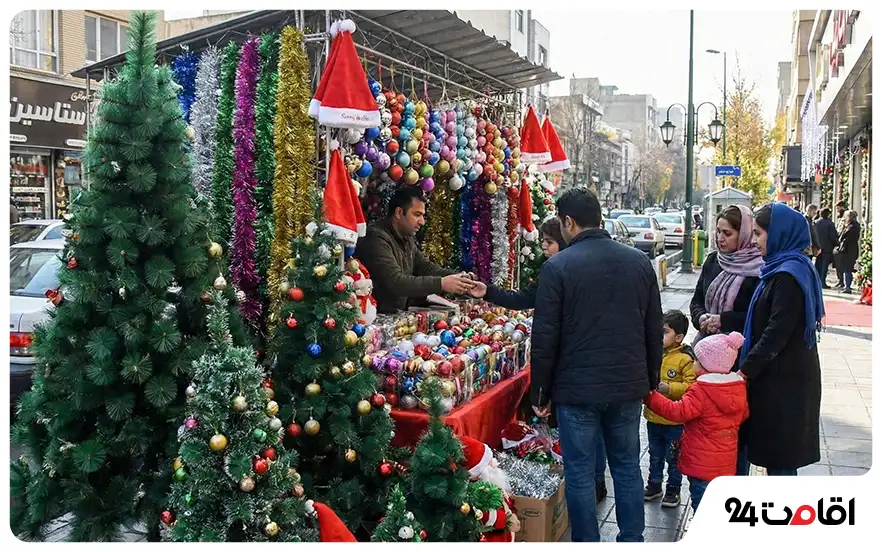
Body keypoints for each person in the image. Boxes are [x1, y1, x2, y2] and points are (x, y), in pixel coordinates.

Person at [530, 188, 662, 542]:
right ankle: (632, 539)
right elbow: (653, 327)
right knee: (626, 466)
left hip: (577, 390)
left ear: (568, 222)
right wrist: (649, 377)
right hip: (626, 385)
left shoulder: (557, 267)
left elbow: (544, 339)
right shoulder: (638, 262)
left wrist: (540, 392)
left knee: (579, 471)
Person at [469, 216, 611, 503]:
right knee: (611, 451)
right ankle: (595, 485)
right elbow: (526, 298)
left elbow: (547, 334)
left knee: (587, 441)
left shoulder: (562, 269)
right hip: (603, 371)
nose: (544, 248)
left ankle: (590, 490)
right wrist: (490, 292)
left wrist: (541, 392)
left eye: (548, 242)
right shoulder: (565, 268)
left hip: (578, 372)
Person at [736, 203, 823, 476]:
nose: (755, 240)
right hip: (784, 377)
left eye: (760, 234)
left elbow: (776, 331)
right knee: (779, 458)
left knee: (781, 461)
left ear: (778, 235)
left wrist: (746, 369)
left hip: (784, 384)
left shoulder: (788, 275)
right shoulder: (785, 268)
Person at [644, 332, 749, 512]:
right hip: (726, 464)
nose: (693, 364)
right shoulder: (737, 388)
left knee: (701, 505)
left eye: (697, 361)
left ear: (707, 367)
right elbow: (743, 414)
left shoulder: (701, 391)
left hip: (701, 464)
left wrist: (650, 397)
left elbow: (677, 412)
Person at [355, 187, 475, 313]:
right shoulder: (375, 237)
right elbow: (397, 282)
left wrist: (461, 279)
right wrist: (441, 283)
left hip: (394, 317)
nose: (422, 222)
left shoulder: (406, 237)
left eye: (423, 215)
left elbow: (426, 267)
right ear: (399, 213)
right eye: (417, 215)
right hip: (372, 320)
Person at [690, 205, 762, 351]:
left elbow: (759, 316)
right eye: (718, 231)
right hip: (707, 346)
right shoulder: (713, 260)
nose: (720, 238)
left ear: (744, 234)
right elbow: (697, 300)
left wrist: (723, 321)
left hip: (742, 349)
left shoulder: (759, 268)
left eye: (727, 233)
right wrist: (702, 319)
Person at [643, 310, 696, 508]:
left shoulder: (685, 359)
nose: (659, 336)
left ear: (679, 337)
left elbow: (692, 387)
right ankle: (654, 485)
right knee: (654, 455)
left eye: (664, 332)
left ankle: (673, 488)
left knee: (673, 458)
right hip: (653, 418)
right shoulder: (653, 353)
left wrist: (670, 388)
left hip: (674, 421)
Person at [836, 210, 861, 294]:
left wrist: (844, 227)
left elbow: (842, 236)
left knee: (847, 269)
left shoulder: (852, 226)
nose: (844, 218)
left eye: (845, 217)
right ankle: (846, 286)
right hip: (849, 249)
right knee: (846, 268)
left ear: (849, 217)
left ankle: (847, 287)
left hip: (848, 250)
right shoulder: (853, 225)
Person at [813, 208, 838, 288]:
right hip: (827, 247)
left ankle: (816, 281)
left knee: (818, 264)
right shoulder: (830, 224)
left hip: (818, 246)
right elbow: (832, 236)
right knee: (824, 266)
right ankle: (822, 282)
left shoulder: (816, 222)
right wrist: (836, 243)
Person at [833, 201, 848, 287]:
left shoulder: (845, 216)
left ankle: (842, 281)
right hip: (838, 242)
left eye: (838, 208)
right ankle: (840, 280)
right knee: (838, 264)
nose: (837, 210)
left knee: (841, 264)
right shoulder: (840, 217)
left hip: (842, 244)